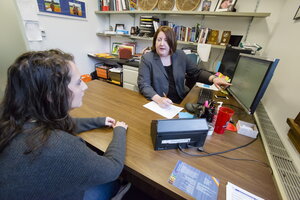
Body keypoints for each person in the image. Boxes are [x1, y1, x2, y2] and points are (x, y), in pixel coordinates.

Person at [0, 49, 128, 200]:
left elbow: (57, 125)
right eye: (79, 82)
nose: (85, 87)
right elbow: (112, 168)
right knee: (113, 183)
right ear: (51, 95)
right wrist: (120, 130)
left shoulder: (12, 120)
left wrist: (98, 121)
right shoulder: (60, 147)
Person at [138, 26, 231, 108]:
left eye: (166, 40)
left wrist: (214, 78)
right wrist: (158, 99)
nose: (162, 43)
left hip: (181, 99)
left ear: (172, 42)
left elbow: (196, 72)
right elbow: (144, 85)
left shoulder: (180, 55)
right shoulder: (147, 58)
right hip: (160, 102)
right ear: (155, 42)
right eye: (159, 40)